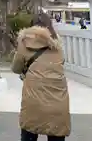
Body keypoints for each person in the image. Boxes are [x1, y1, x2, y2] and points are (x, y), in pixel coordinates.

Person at [11, 13, 70, 141]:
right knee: (56, 133)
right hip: (58, 100)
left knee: (30, 132)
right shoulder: (57, 45)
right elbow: (61, 64)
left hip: (33, 99)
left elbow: (16, 68)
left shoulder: (24, 43)